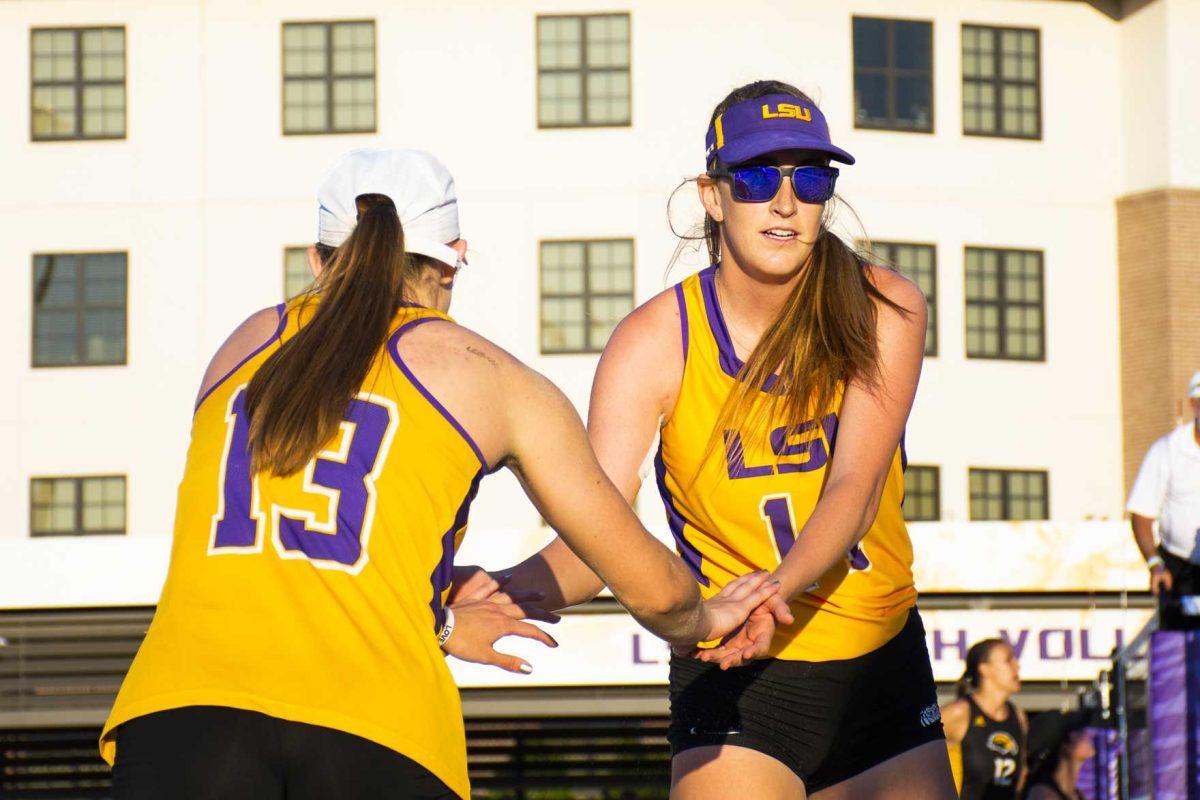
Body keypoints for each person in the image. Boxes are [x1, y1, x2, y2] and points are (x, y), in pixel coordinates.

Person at [97, 148, 780, 800]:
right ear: (452, 265)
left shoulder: (245, 343)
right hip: (373, 726)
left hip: (179, 718)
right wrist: (709, 614)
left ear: (316, 259)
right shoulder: (489, 377)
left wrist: (442, 624)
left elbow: (288, 577)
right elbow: (655, 594)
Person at [501, 81, 955, 798]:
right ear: (712, 196)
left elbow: (855, 491)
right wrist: (492, 591)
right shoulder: (653, 342)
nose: (784, 202)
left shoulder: (884, 304)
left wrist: (774, 590)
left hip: (875, 661)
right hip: (737, 671)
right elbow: (598, 533)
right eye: (755, 177)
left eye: (809, 178)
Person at [1127, 370, 1200, 629]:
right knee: (1177, 650)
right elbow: (1141, 516)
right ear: (1194, 404)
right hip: (1178, 567)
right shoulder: (1168, 450)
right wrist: (1154, 563)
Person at [941, 639, 1028, 799]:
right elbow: (913, 752)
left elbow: (1021, 775)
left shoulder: (1018, 716)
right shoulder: (959, 713)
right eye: (1008, 660)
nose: (1017, 666)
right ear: (984, 669)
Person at [1023, 712, 1095, 800]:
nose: (1087, 734)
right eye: (1079, 731)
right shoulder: (1043, 795)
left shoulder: (1076, 794)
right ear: (1065, 746)